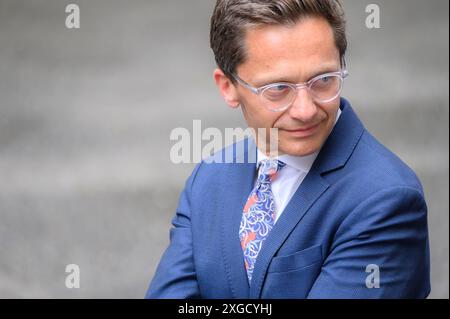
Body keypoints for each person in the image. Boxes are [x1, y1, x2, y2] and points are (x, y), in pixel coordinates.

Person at [146, 0, 430, 299]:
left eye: (323, 81)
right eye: (278, 89)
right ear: (227, 87)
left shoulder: (386, 200)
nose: (306, 110)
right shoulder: (209, 179)